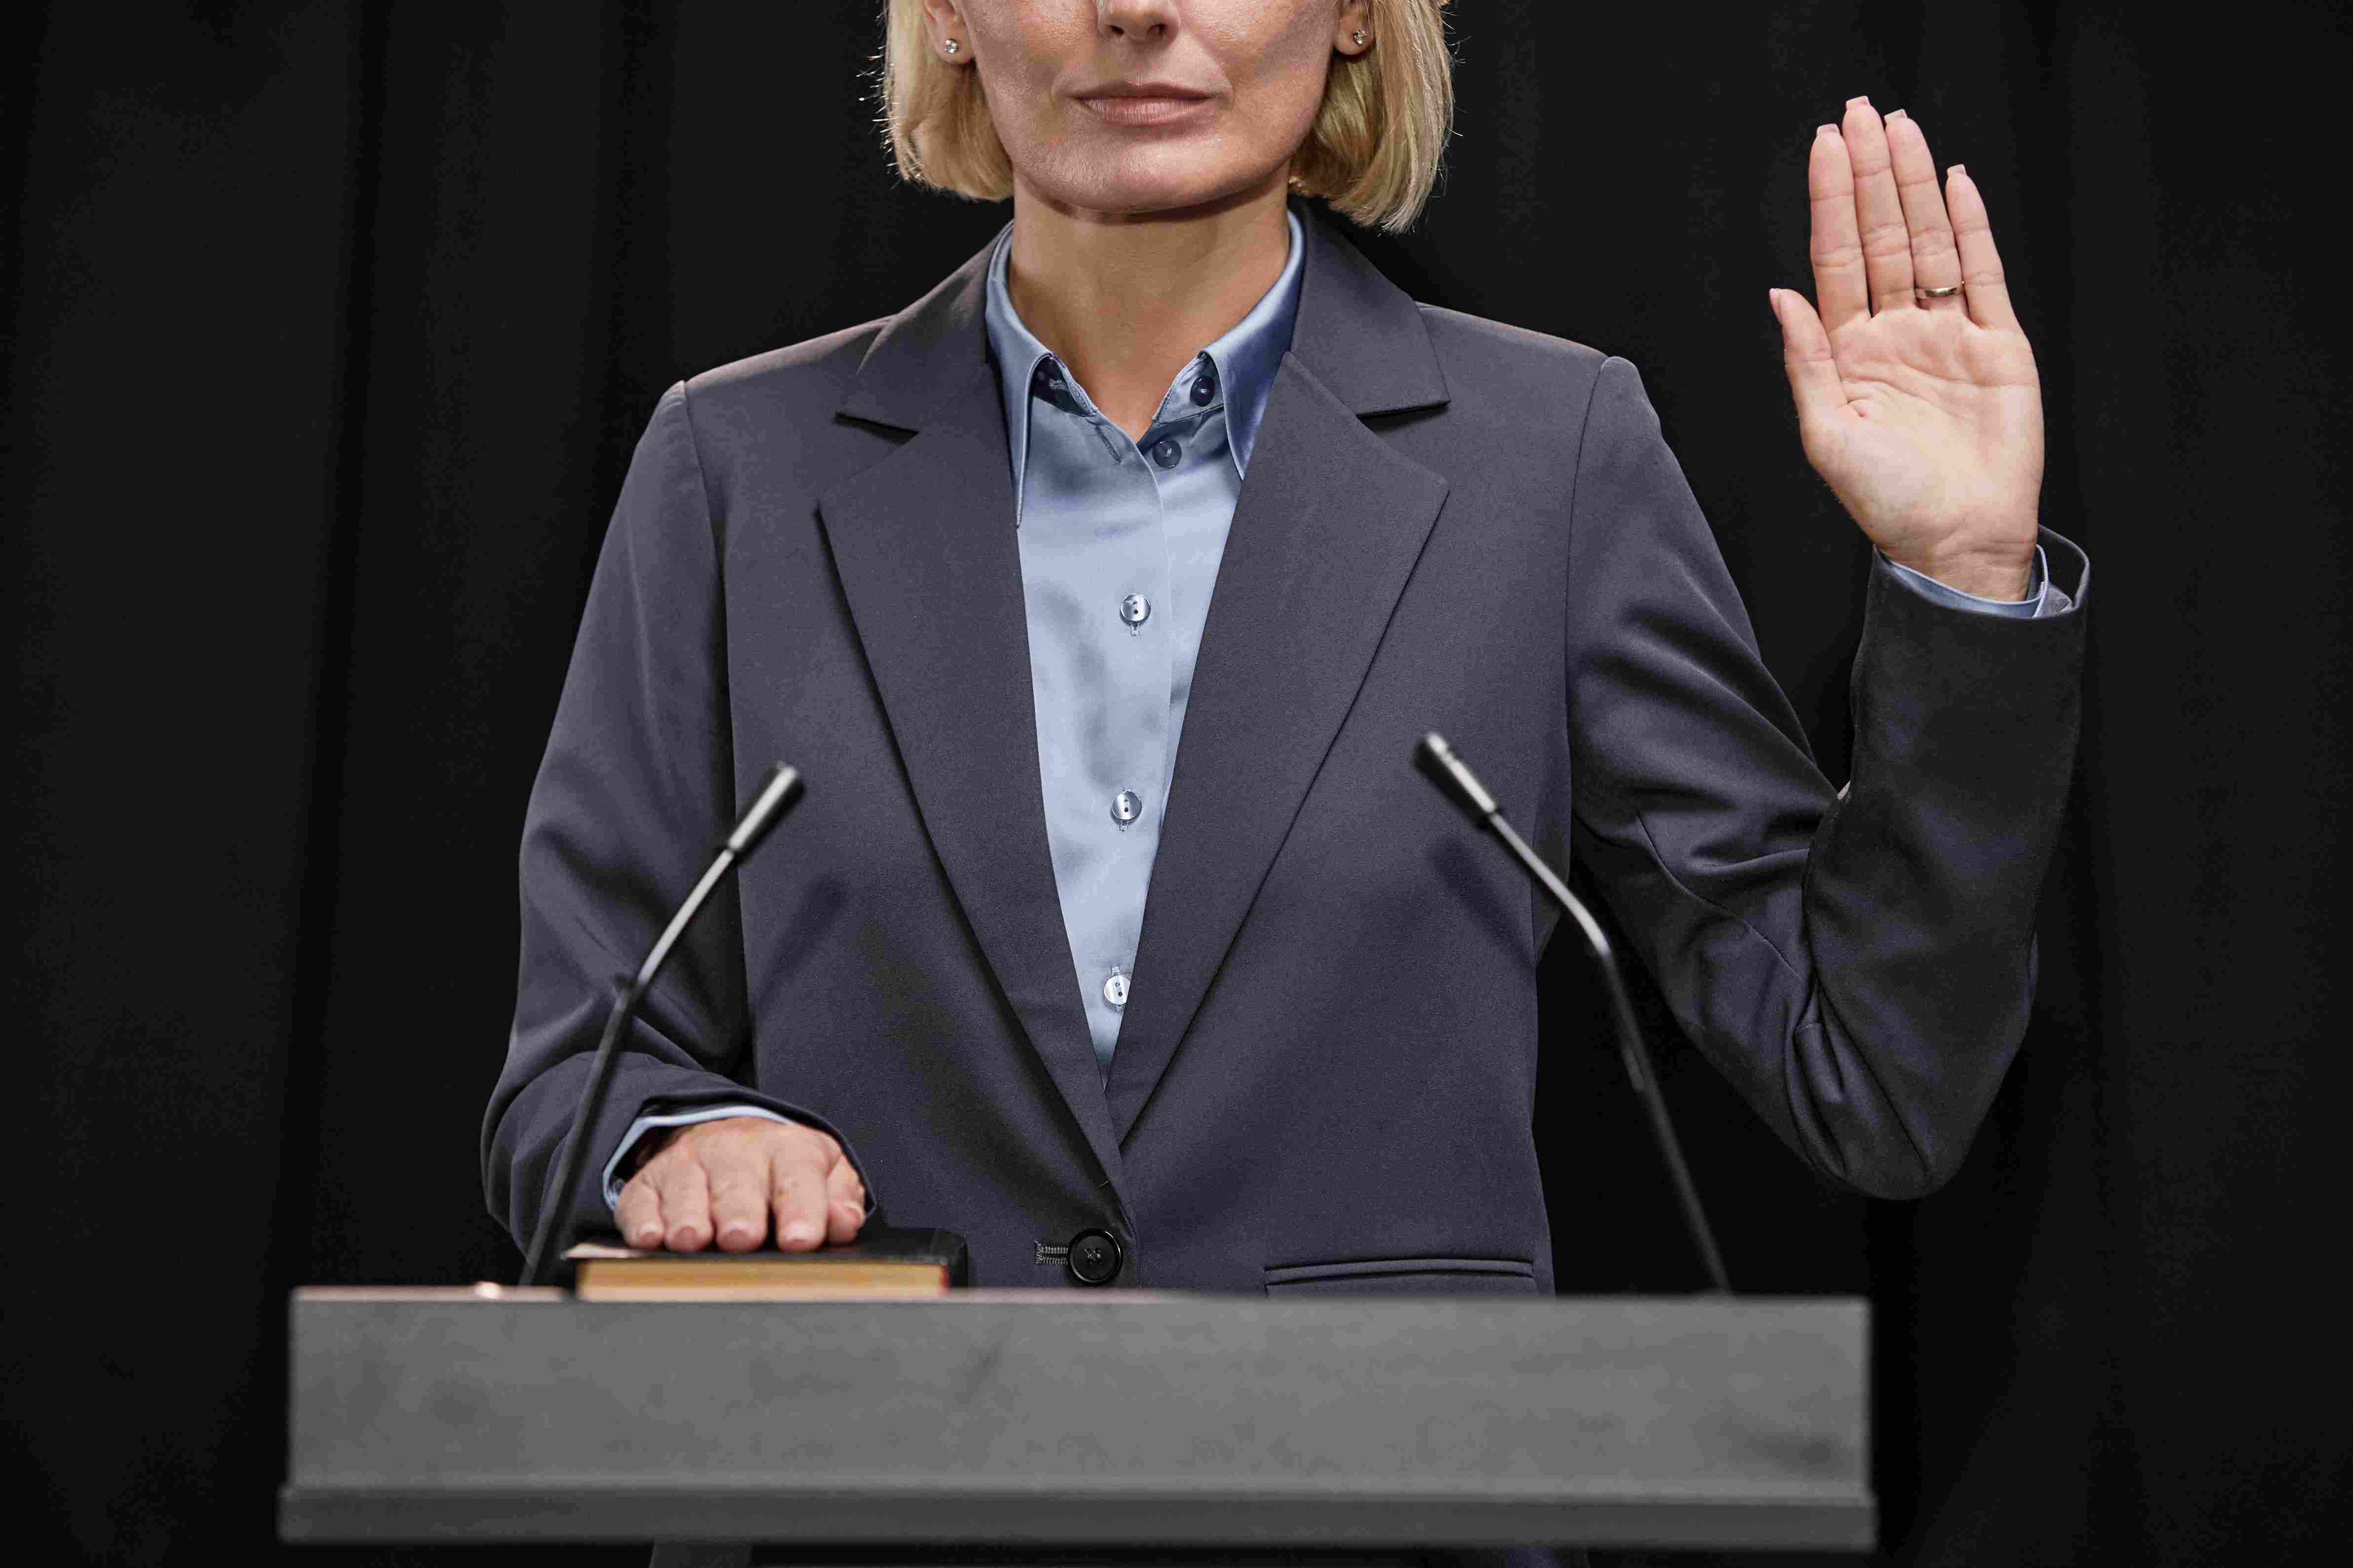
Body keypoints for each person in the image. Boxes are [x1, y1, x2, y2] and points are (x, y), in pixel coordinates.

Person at [484, 5, 2085, 1556]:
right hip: (863, 1511)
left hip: (1393, 1518)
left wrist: (1961, 578)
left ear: (1358, 17)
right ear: (953, 18)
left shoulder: (1550, 455)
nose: (1136, 12)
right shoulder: (732, 469)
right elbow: (569, 1077)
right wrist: (676, 1137)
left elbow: (1870, 1077)